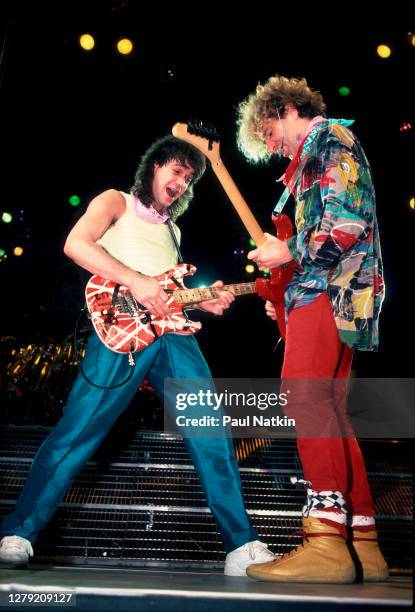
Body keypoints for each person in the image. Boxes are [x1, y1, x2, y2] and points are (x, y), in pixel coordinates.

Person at [0, 135, 275, 575]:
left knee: (210, 429)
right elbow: (76, 244)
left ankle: (241, 546)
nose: (181, 182)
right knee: (78, 430)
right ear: (154, 167)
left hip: (173, 336)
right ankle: (17, 532)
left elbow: (168, 289)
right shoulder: (116, 201)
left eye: (189, 178)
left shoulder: (174, 229)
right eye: (176, 171)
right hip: (120, 332)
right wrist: (135, 281)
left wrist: (200, 299)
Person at [236, 76, 388, 583]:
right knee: (332, 409)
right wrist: (277, 292)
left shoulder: (329, 140)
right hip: (336, 293)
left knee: (302, 397)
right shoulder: (317, 154)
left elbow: (346, 224)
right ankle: (360, 540)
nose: (272, 145)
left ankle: (324, 539)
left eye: (270, 133)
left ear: (284, 109)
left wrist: (288, 252)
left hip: (329, 291)